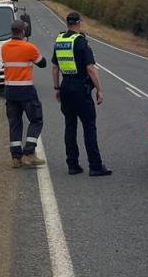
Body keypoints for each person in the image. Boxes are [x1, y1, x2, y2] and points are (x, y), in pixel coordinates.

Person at [52, 12, 111, 176]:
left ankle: (72, 165)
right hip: (81, 89)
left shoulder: (60, 41)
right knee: (89, 127)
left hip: (65, 88)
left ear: (67, 23)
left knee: (70, 127)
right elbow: (91, 68)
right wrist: (99, 90)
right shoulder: (81, 42)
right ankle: (95, 166)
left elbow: (55, 68)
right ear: (78, 23)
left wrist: (56, 88)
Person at [2, 19, 47, 168]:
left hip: (10, 91)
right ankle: (29, 153)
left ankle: (16, 158)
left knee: (15, 123)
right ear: (22, 32)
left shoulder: (4, 47)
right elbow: (43, 63)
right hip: (26, 90)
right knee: (36, 119)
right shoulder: (29, 47)